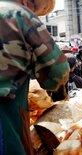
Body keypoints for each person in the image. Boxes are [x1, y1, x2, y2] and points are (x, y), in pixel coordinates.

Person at [0, 0, 70, 154]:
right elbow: (59, 70)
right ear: (27, 2)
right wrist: (59, 96)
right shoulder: (17, 13)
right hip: (4, 114)